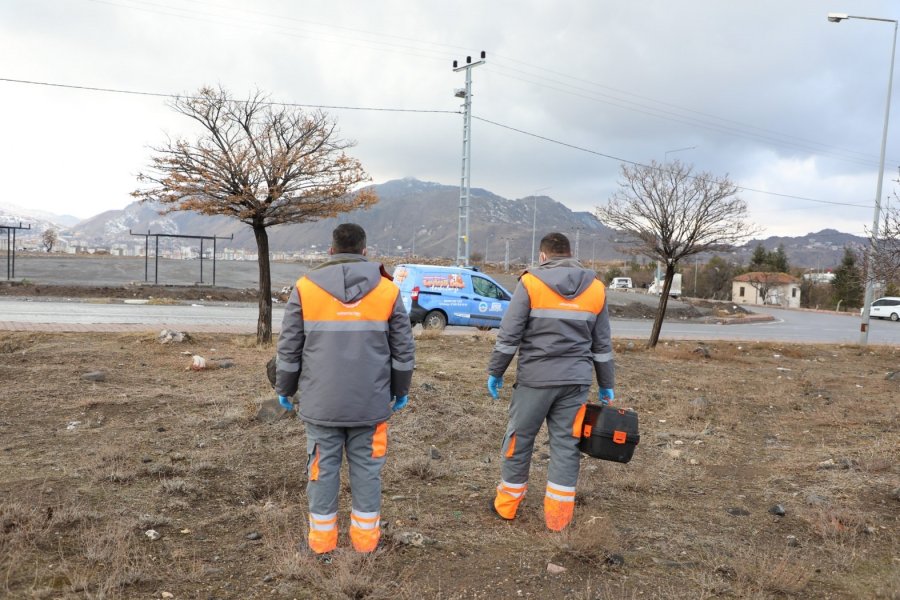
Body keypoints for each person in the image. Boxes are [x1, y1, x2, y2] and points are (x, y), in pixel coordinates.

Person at [275, 223, 415, 554]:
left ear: (330, 251)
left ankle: (322, 544)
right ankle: (366, 544)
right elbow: (403, 350)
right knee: (368, 471)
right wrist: (400, 390)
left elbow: (290, 347)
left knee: (322, 471)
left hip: (320, 405)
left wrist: (285, 388)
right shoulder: (387, 290)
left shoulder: (305, 288)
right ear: (365, 251)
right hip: (371, 404)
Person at [486, 232, 614, 531]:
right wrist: (606, 382)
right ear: (571, 254)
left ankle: (506, 507)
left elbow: (509, 336)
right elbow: (603, 344)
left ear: (543, 256)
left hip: (535, 380)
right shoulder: (596, 288)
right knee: (567, 446)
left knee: (519, 441)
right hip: (576, 382)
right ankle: (558, 520)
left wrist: (496, 371)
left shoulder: (530, 282)